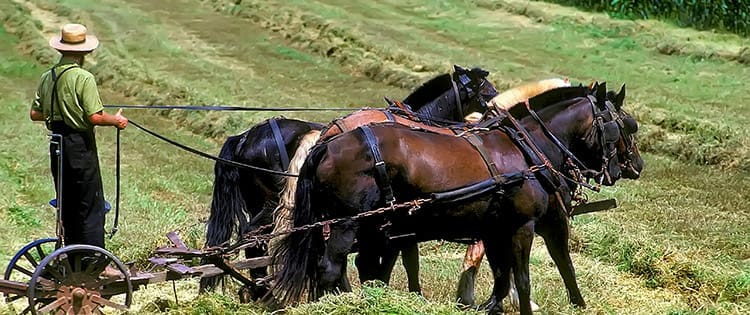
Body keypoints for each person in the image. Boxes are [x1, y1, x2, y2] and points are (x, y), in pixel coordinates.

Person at [29, 23, 128, 252]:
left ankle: (72, 253)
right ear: (84, 52)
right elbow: (95, 117)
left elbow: (35, 113)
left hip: (57, 144)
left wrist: (61, 111)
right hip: (79, 146)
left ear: (61, 50)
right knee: (90, 203)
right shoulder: (84, 78)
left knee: (68, 202)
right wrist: (116, 120)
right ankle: (95, 262)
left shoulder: (47, 76)